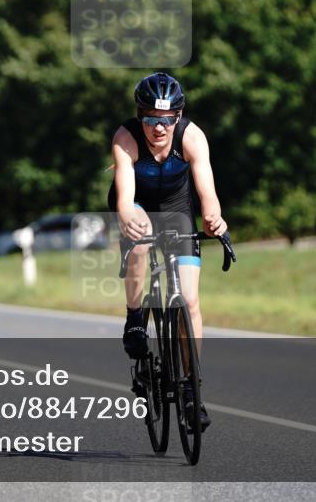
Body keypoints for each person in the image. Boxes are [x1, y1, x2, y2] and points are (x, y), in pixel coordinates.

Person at [107, 72, 227, 431]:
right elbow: (125, 196)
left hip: (176, 207)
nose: (158, 128)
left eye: (166, 120)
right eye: (150, 119)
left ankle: (191, 389)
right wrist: (127, 215)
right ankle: (133, 319)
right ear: (139, 115)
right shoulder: (126, 138)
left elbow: (207, 190)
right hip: (138, 203)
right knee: (140, 237)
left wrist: (213, 217)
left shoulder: (191, 136)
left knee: (189, 301)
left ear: (178, 116)